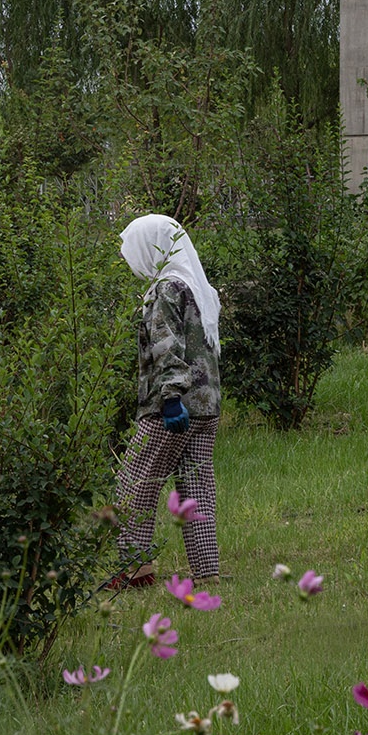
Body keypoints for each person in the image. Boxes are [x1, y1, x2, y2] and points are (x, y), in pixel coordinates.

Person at [114, 214, 222, 587]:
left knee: (134, 483)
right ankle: (208, 571)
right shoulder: (199, 287)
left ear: (153, 248)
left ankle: (135, 570)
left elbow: (167, 347)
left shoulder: (166, 290)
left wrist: (172, 398)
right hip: (207, 405)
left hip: (171, 407)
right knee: (196, 490)